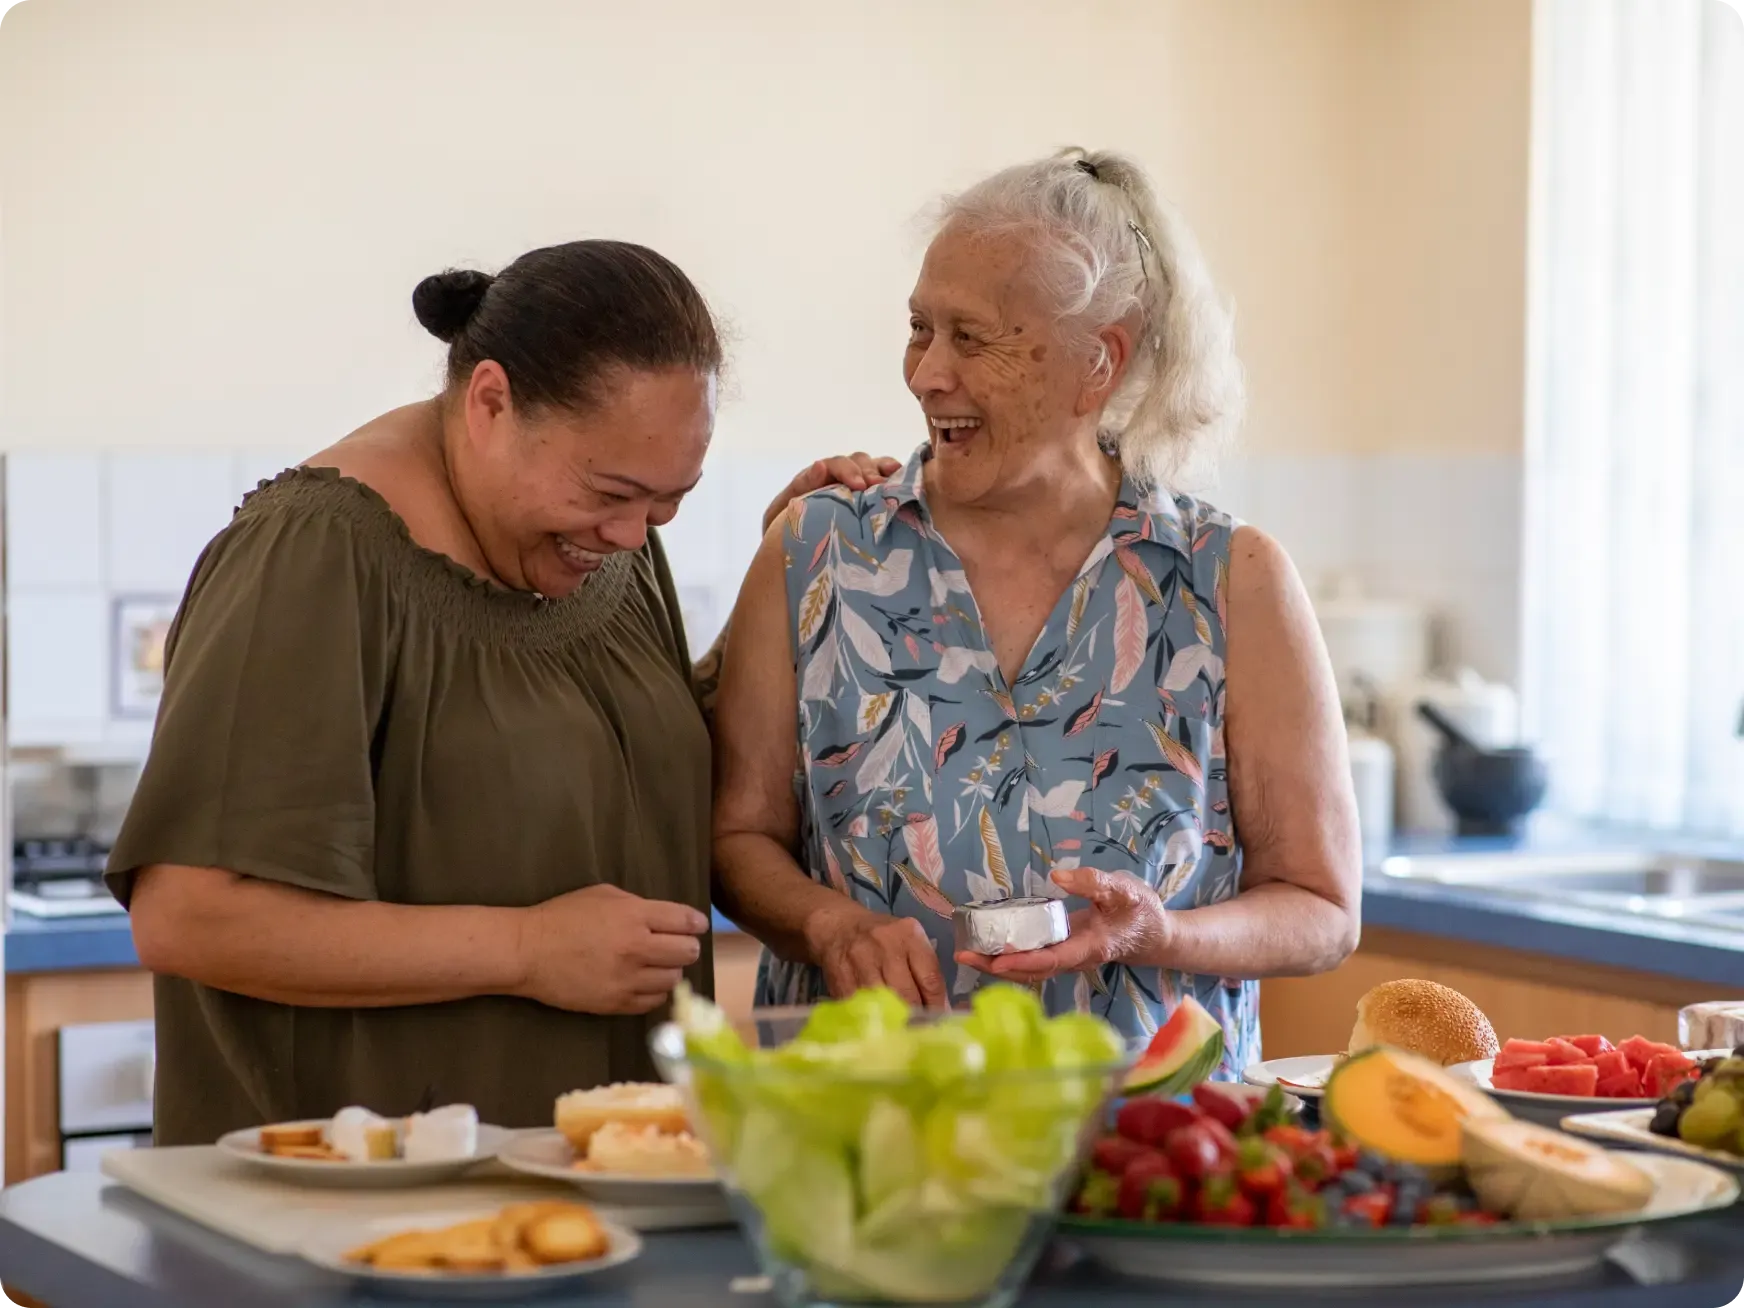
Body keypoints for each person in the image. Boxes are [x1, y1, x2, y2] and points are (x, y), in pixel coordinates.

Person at [106, 239, 896, 1144]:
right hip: (362, 1218)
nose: (637, 533)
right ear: (490, 402)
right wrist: (525, 950)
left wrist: (786, 566)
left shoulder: (599, 546)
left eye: (669, 502)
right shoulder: (317, 554)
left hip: (581, 1204)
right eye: (614, 491)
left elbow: (640, 765)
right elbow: (191, 916)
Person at [711, 150, 1362, 1073]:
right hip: (869, 1138)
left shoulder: (1231, 580)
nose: (928, 374)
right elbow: (736, 838)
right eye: (919, 329)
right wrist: (827, 923)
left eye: (972, 339)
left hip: (1156, 1153)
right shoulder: (818, 550)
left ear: (1098, 362)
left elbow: (1323, 912)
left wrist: (1158, 933)